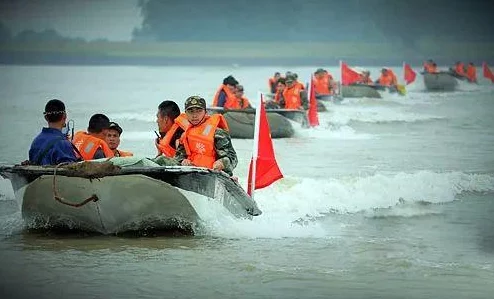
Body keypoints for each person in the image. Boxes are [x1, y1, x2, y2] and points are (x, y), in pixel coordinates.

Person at [175, 96, 238, 176]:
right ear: (185, 113)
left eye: (199, 111)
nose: (194, 115)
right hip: (192, 173)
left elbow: (233, 158)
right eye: (191, 111)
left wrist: (222, 163)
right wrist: (183, 161)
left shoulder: (218, 133)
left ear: (205, 112)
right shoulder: (185, 135)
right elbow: (178, 157)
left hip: (214, 175)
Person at [28, 99, 79, 165]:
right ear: (64, 116)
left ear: (46, 118)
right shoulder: (63, 144)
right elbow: (71, 170)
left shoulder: (36, 141)